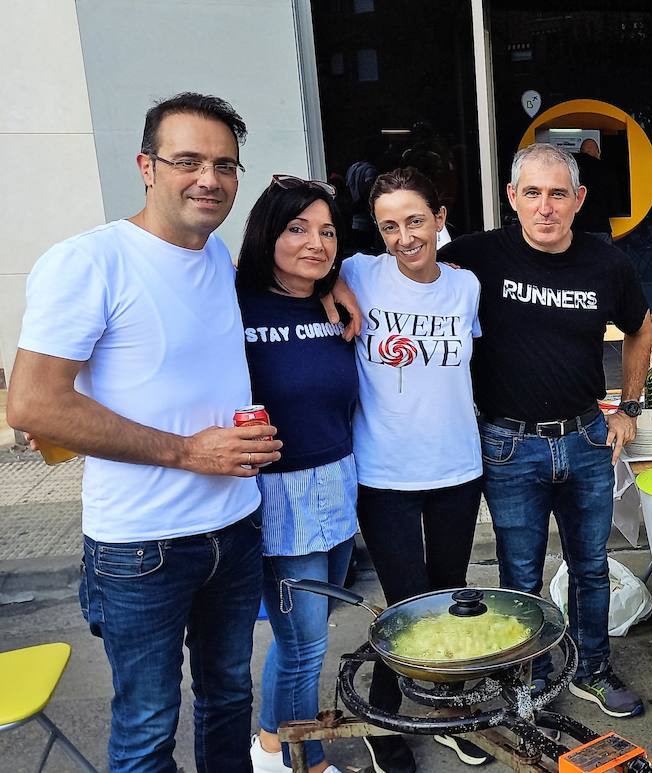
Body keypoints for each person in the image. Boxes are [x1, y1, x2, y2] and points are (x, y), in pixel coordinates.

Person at [6, 92, 283, 771]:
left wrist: (337, 286)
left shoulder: (215, 257)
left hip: (235, 527)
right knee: (147, 724)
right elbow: (33, 405)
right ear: (146, 166)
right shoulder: (89, 261)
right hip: (141, 545)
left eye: (224, 165)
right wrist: (189, 451)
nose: (209, 179)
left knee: (228, 696)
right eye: (187, 160)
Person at [439, 143, 652, 718]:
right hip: (509, 446)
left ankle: (592, 671)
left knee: (591, 566)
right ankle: (527, 681)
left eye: (558, 194)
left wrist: (630, 407)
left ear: (579, 199)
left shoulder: (607, 263)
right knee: (520, 575)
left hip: (586, 438)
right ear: (512, 197)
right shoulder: (474, 256)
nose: (545, 207)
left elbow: (641, 328)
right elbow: (406, 268)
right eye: (532, 193)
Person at [342, 166, 490, 772]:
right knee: (406, 605)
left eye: (415, 221)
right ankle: (383, 721)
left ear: (440, 219)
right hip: (384, 475)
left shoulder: (466, 286)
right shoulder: (356, 273)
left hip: (458, 468)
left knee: (449, 594)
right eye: (389, 227)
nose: (404, 237)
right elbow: (300, 268)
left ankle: (447, 710)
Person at [235, 176, 357, 773]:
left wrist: (338, 282)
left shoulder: (332, 301)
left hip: (339, 482)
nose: (316, 243)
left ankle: (269, 744)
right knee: (305, 644)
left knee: (303, 637)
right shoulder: (234, 301)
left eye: (327, 232)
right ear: (267, 233)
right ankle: (302, 761)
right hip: (279, 495)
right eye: (297, 228)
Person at [572, 138, 614, 242]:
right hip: (599, 227)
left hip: (575, 227)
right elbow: (614, 205)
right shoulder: (606, 169)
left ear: (580, 151)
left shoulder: (571, 169)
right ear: (598, 152)